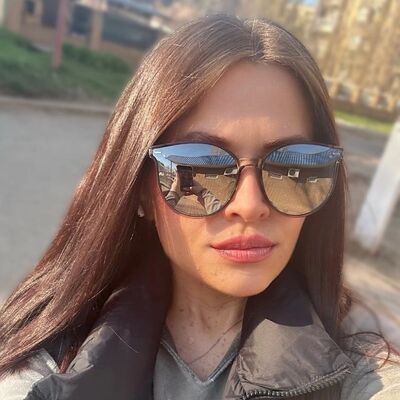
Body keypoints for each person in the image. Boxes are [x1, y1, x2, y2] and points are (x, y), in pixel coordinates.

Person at [0, 14, 399, 400]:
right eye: (198, 168)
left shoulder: (363, 357)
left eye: (292, 168)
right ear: (140, 190)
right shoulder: (51, 355)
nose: (250, 206)